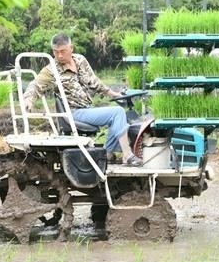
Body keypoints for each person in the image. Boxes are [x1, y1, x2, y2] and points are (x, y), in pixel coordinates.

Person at [22, 33, 143, 166]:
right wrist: (28, 99)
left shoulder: (80, 60)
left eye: (63, 51)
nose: (60, 56)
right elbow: (35, 85)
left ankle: (107, 154)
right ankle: (127, 154)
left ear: (71, 48)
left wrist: (112, 94)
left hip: (87, 109)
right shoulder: (51, 70)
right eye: (56, 52)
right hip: (74, 112)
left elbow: (93, 81)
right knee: (117, 112)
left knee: (117, 116)